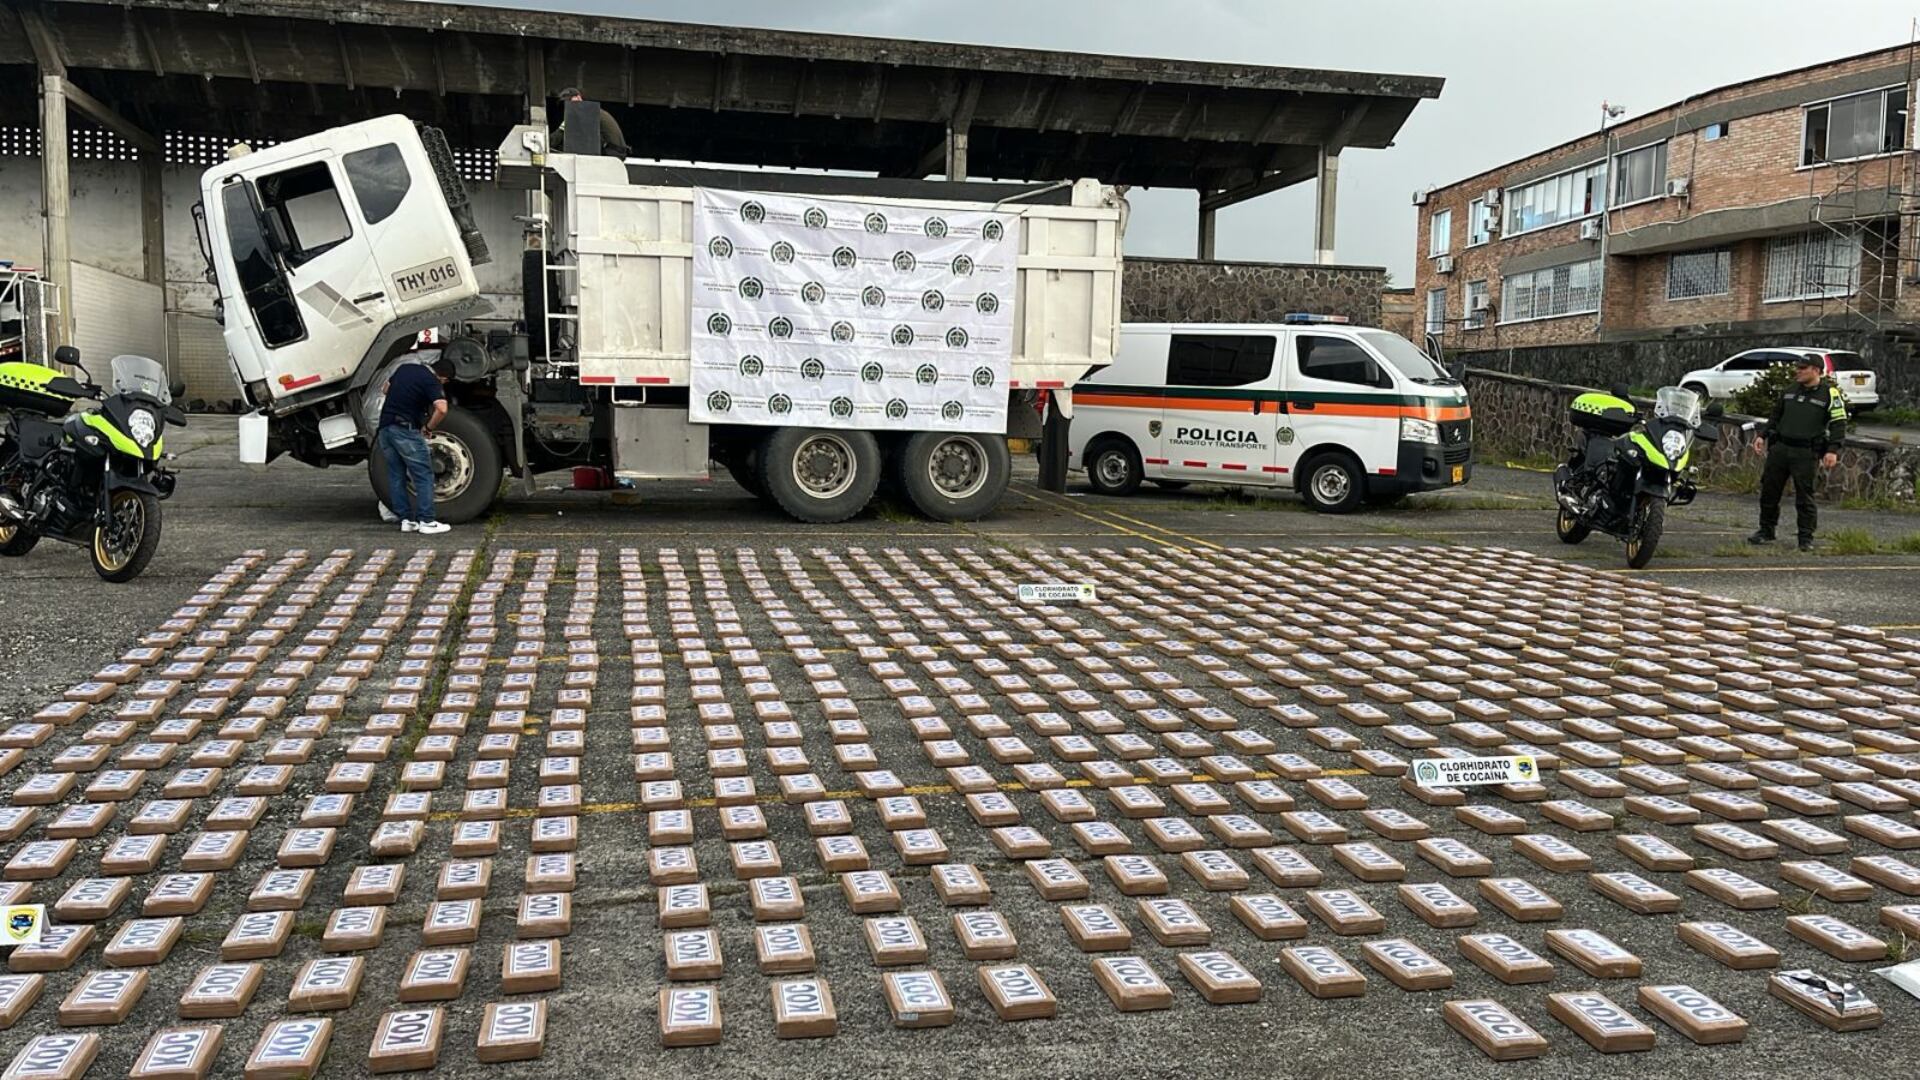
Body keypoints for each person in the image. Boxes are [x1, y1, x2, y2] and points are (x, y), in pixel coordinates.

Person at [1748, 355, 1847, 551]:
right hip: (1781, 449)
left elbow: (1839, 423)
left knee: (1804, 497)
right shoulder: (1789, 390)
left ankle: (1805, 538)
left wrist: (1832, 450)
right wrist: (1762, 435)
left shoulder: (1830, 394)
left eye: (1803, 368)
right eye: (1798, 368)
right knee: (1769, 492)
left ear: (1816, 371)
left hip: (1806, 452)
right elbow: (1775, 416)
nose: (1798, 371)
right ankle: (1766, 531)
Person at [378, 357, 455, 535]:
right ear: (443, 378)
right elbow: (442, 408)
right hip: (405, 429)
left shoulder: (405, 368)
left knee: (396, 475)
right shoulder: (431, 380)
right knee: (424, 475)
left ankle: (406, 520)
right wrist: (428, 427)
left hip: (385, 429)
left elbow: (385, 389)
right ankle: (427, 521)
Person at [554, 87, 630, 158]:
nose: (568, 106)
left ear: (578, 98)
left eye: (569, 101)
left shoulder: (587, 113)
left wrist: (564, 126)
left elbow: (556, 139)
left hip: (612, 153)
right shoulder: (591, 111)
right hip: (615, 152)